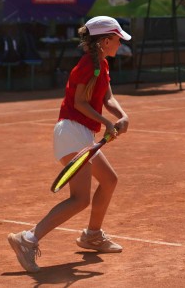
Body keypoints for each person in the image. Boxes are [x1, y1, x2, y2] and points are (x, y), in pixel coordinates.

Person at [8, 16, 132, 273]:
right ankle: (27, 239)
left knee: (109, 180)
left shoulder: (102, 65)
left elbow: (107, 97)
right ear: (105, 41)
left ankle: (92, 236)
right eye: (118, 39)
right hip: (72, 132)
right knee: (79, 198)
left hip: (81, 133)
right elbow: (79, 103)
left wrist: (122, 116)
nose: (120, 43)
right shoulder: (87, 65)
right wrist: (106, 123)